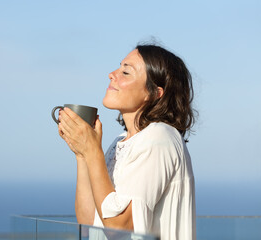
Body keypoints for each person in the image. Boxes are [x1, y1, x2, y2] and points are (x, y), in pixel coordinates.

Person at [57, 43, 196, 240]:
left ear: (154, 93)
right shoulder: (120, 143)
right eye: (118, 67)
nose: (112, 74)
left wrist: (92, 151)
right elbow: (90, 223)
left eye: (126, 72)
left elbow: (119, 226)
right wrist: (82, 154)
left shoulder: (159, 137)